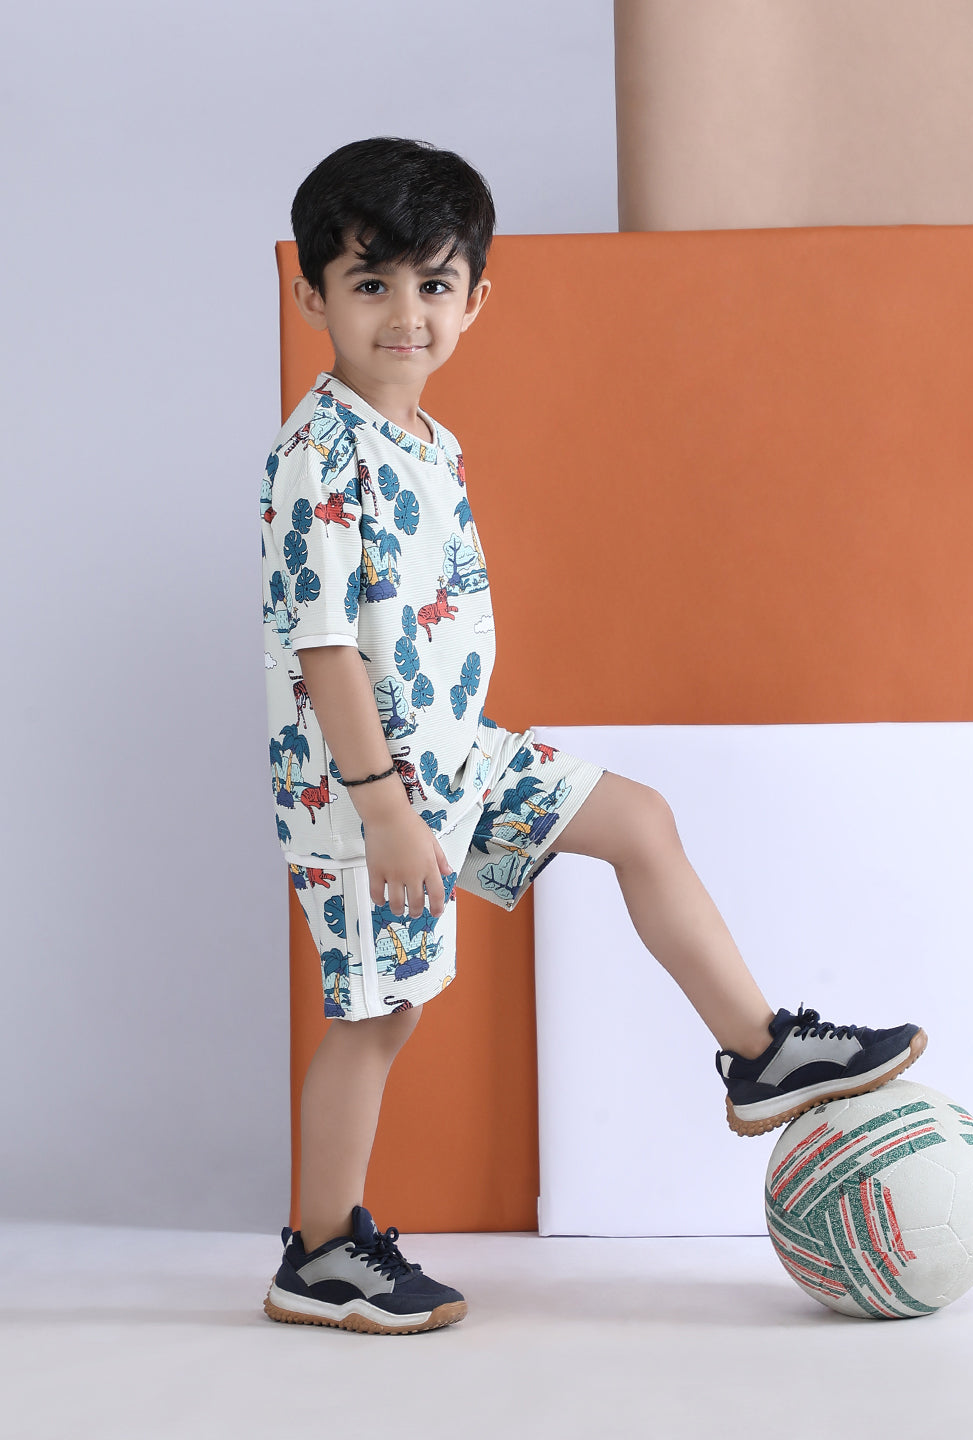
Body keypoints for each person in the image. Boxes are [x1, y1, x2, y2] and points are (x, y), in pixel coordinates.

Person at [259, 137, 927, 1337]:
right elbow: (323, 650)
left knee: (637, 821)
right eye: (370, 284)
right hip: (369, 795)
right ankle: (318, 1254)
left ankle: (762, 1054)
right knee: (379, 1015)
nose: (405, 314)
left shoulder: (425, 439)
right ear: (313, 297)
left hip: (458, 759)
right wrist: (385, 808)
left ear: (476, 299)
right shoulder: (319, 457)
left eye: (433, 284)